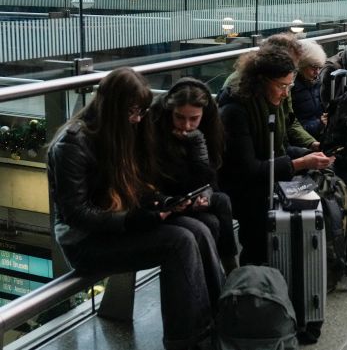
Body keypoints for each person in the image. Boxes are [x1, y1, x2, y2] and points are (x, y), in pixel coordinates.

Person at [47, 68, 223, 350]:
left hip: (118, 224)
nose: (138, 119)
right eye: (133, 112)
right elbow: (76, 215)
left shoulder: (118, 131)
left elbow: (135, 187)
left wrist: (162, 203)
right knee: (180, 241)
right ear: (114, 108)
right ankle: (189, 342)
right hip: (85, 242)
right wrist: (132, 219)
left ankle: (221, 319)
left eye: (140, 111)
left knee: (199, 228)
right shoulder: (72, 143)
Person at [218, 48, 335, 265]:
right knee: (260, 227)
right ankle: (254, 275)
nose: (286, 92)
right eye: (282, 86)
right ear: (261, 81)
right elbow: (248, 170)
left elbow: (280, 148)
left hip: (266, 177)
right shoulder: (235, 111)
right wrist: (300, 163)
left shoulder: (274, 103)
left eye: (289, 86)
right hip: (240, 188)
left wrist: (311, 153)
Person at [149, 77, 239, 275]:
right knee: (212, 221)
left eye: (193, 119)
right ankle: (220, 274)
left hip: (192, 193)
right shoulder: (157, 132)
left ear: (203, 116)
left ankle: (227, 269)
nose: (187, 126)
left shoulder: (210, 130)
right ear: (170, 112)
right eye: (180, 117)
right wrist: (196, 143)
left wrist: (205, 194)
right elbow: (164, 179)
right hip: (169, 199)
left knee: (221, 201)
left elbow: (210, 178)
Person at [291, 39, 327, 140]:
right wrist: (320, 123)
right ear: (302, 65)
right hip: (305, 140)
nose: (317, 72)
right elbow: (293, 127)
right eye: (314, 67)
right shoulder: (291, 88)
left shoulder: (316, 82)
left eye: (319, 67)